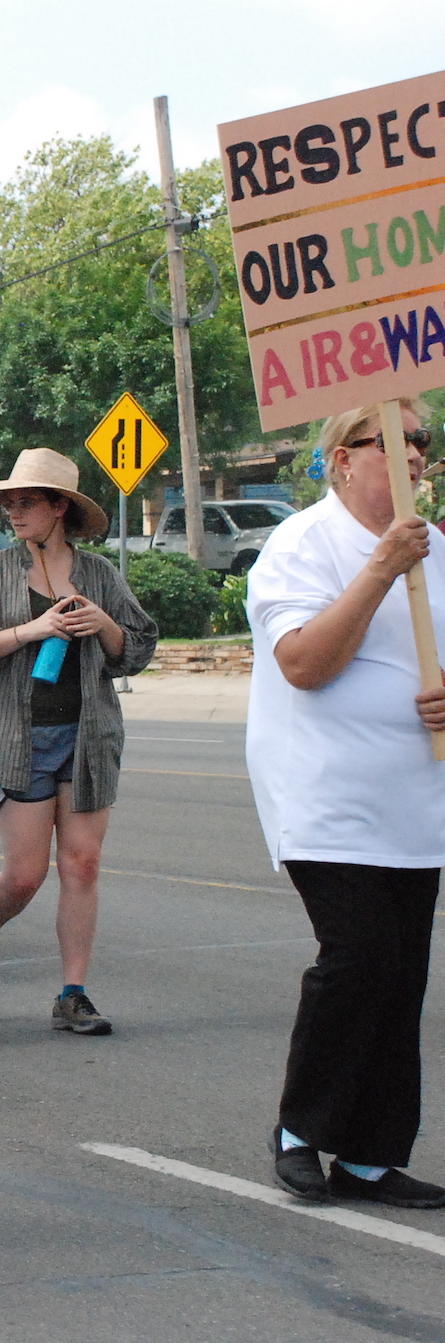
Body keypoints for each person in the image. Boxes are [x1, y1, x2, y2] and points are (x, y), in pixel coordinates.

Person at [249, 399, 445, 1209]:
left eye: (422, 441)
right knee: (359, 955)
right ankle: (301, 1130)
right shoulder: (302, 544)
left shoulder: (437, 552)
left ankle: (369, 1154)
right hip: (325, 793)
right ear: (341, 458)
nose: (413, 457)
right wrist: (379, 567)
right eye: (392, 442)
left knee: (402, 976)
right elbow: (303, 662)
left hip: (415, 799)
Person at [0, 448, 157, 1035]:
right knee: (24, 876)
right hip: (20, 738)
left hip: (89, 737)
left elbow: (137, 650)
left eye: (26, 502)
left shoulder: (99, 576)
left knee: (82, 864)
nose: (14, 512)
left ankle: (73, 993)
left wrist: (105, 625)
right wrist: (30, 630)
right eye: (8, 503)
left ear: (59, 507)